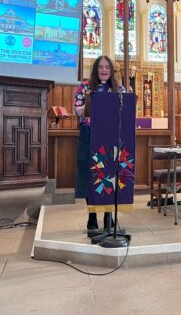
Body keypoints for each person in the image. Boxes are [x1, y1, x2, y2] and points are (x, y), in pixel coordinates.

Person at [74, 55, 124, 231]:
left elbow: (124, 110)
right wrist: (92, 103)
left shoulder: (118, 88)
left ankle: (109, 217)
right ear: (96, 69)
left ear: (111, 70)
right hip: (89, 135)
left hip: (110, 137)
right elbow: (77, 110)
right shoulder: (85, 86)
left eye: (107, 67)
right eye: (101, 67)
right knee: (91, 178)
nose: (104, 70)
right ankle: (92, 216)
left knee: (109, 178)